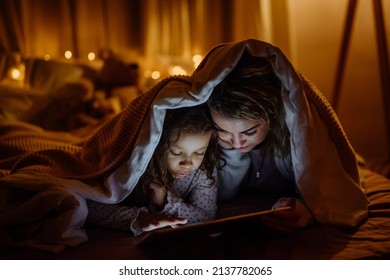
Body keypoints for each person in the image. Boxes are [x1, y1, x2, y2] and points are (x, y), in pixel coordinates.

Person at [205, 48, 368, 233]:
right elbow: (223, 193)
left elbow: (320, 194)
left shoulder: (293, 141)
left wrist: (301, 212)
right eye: (222, 130)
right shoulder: (214, 142)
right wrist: (231, 153)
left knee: (356, 166)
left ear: (271, 116)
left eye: (249, 131)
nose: (237, 142)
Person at [87, 104, 220, 235]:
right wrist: (138, 218)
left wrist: (165, 202)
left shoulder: (205, 169)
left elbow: (206, 216)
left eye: (199, 153)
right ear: (157, 145)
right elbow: (91, 206)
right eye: (176, 153)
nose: (188, 163)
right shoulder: (138, 165)